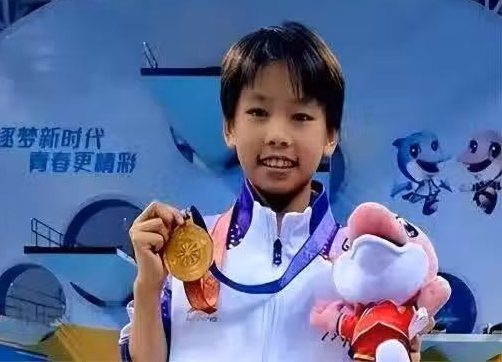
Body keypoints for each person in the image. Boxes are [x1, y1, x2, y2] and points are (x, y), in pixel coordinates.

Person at [120, 21, 429, 361]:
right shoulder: (186, 249)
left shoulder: (361, 266)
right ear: (229, 127)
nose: (278, 135)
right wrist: (148, 288)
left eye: (301, 116)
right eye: (258, 112)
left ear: (331, 135)